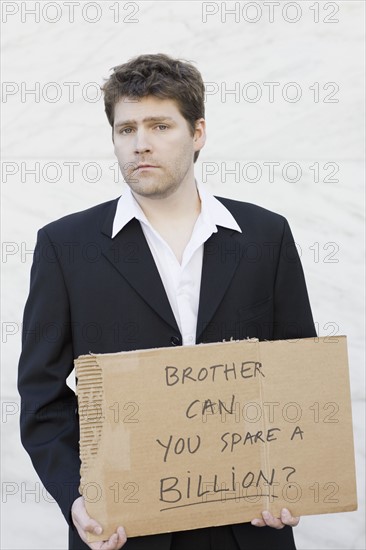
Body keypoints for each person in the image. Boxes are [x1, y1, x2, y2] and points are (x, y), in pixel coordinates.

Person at [18, 53, 317, 550]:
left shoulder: (267, 235)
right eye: (126, 129)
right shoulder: (64, 246)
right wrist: (78, 497)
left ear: (197, 133)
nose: (140, 144)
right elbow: (41, 395)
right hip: (124, 530)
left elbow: (300, 376)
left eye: (160, 125)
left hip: (248, 525)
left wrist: (290, 477)